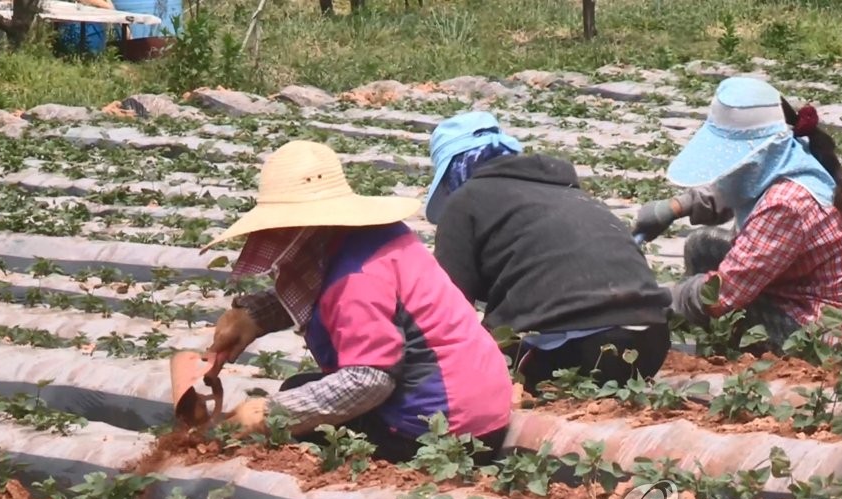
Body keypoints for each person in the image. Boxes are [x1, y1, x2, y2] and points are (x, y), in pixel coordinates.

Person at [199, 140, 513, 464]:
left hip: (442, 430)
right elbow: (324, 291)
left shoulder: (357, 277)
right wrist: (255, 316)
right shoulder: (374, 237)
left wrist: (268, 413)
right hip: (481, 406)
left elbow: (368, 380)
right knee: (301, 388)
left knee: (294, 419)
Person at [632, 76, 842, 351]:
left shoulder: (786, 205)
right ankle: (702, 329)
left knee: (724, 305)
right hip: (806, 292)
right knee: (702, 247)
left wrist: (657, 299)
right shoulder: (789, 154)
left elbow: (724, 293)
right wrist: (674, 207)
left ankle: (714, 342)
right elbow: (733, 187)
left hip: (838, 331)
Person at [423, 111, 674, 394]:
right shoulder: (566, 190)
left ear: (455, 170)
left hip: (572, 350)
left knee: (479, 365)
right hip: (652, 344)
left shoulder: (465, 200)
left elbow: (448, 308)